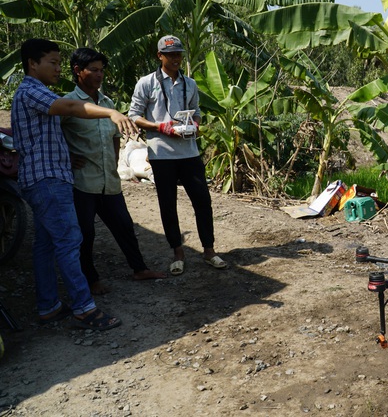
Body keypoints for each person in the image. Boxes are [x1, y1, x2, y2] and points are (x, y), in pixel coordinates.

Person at [11, 38, 136, 331]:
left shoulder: (35, 91)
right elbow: (69, 107)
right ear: (32, 64)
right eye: (52, 62)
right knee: (69, 241)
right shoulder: (31, 90)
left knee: (45, 245)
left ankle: (49, 306)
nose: (58, 68)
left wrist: (69, 154)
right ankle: (84, 309)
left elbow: (46, 135)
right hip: (48, 180)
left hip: (44, 177)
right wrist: (111, 112)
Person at [61, 47, 166, 295]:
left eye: (102, 70)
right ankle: (91, 280)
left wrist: (116, 161)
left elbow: (114, 137)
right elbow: (52, 136)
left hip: (109, 179)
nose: (99, 75)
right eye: (94, 70)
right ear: (78, 71)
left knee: (124, 226)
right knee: (85, 233)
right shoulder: (68, 104)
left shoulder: (108, 103)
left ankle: (139, 269)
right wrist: (66, 156)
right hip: (82, 182)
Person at [128, 35, 227, 276]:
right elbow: (134, 115)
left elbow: (198, 112)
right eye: (170, 54)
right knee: (168, 204)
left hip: (189, 151)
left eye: (179, 54)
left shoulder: (189, 84)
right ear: (159, 56)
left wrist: (195, 123)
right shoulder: (146, 83)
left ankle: (209, 249)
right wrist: (160, 127)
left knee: (202, 201)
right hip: (161, 154)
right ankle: (178, 252)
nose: (176, 59)